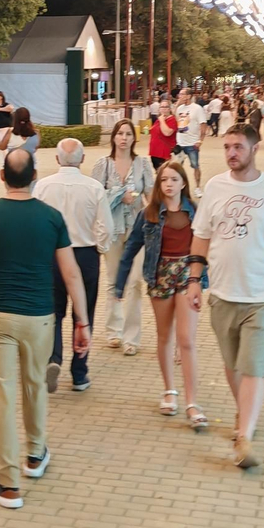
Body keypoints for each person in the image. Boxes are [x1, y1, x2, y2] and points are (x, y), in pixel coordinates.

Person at [0, 150, 91, 510]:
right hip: (40, 316)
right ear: (35, 176)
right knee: (35, 385)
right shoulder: (51, 218)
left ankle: (8, 483)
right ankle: (35, 455)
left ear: (2, 175)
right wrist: (82, 320)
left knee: (2, 397)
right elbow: (70, 273)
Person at [188, 124, 264, 469]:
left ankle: (244, 437)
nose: (231, 153)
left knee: (253, 366)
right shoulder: (214, 187)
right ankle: (245, 415)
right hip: (223, 295)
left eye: (238, 147)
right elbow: (201, 236)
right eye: (227, 146)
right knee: (233, 366)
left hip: (261, 298)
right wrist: (194, 280)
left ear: (254, 149)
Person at [116, 161, 207, 428]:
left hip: (188, 274)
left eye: (174, 179)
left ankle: (193, 402)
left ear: (183, 183)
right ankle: (169, 390)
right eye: (164, 179)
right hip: (160, 274)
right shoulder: (149, 213)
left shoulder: (195, 211)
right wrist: (119, 286)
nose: (169, 184)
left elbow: (207, 245)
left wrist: (201, 277)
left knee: (186, 339)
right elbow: (131, 248)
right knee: (165, 336)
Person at [33, 139, 111, 393]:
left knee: (53, 313)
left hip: (52, 255)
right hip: (85, 255)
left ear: (56, 159)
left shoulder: (42, 187)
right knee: (84, 313)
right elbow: (105, 227)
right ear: (83, 158)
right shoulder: (94, 187)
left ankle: (53, 358)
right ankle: (79, 373)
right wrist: (99, 248)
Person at [91, 120, 153, 355]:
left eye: (128, 134)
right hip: (113, 229)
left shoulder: (142, 164)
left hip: (138, 230)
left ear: (134, 139)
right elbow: (94, 196)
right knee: (113, 281)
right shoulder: (103, 165)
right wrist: (118, 194)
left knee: (135, 283)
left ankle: (131, 338)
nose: (124, 138)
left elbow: (150, 194)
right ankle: (113, 332)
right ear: (114, 137)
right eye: (120, 133)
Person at [173, 87, 209, 194]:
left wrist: (200, 140)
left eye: (182, 94)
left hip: (192, 142)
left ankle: (197, 187)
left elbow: (203, 124)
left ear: (189, 96)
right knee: (177, 166)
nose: (180, 96)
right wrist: (177, 104)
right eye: (179, 94)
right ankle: (178, 187)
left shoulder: (197, 108)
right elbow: (175, 118)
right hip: (180, 142)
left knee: (195, 165)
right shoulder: (179, 108)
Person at [148, 98, 178, 170]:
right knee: (158, 173)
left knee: (164, 173)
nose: (164, 109)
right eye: (162, 107)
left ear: (169, 109)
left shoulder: (172, 120)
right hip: (154, 151)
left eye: (166, 107)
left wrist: (162, 120)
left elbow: (167, 133)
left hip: (164, 153)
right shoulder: (158, 120)